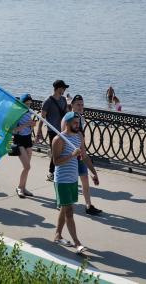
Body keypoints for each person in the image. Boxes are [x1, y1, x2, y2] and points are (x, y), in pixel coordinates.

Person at [52, 112, 99, 254]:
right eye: (75, 123)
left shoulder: (79, 137)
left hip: (73, 180)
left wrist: (93, 172)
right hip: (62, 180)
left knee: (65, 208)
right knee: (69, 212)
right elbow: (56, 162)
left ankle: (57, 235)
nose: (78, 125)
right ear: (67, 123)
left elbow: (84, 156)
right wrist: (72, 155)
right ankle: (77, 243)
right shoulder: (58, 139)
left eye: (78, 123)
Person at [61, 95, 102, 215]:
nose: (80, 107)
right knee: (67, 182)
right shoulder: (66, 119)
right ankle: (62, 204)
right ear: (72, 105)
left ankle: (88, 205)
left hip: (79, 154)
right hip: (69, 156)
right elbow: (63, 138)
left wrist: (93, 172)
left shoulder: (81, 119)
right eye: (78, 104)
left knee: (84, 179)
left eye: (82, 104)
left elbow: (81, 143)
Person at [36, 80, 69, 182]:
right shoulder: (48, 101)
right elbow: (42, 117)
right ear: (58, 88)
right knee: (56, 152)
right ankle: (51, 173)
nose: (64, 90)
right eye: (63, 88)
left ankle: (58, 171)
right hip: (52, 130)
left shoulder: (63, 100)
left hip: (63, 130)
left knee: (61, 151)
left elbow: (67, 114)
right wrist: (39, 131)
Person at [12, 94, 36, 198]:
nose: (28, 106)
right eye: (26, 104)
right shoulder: (17, 113)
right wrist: (27, 125)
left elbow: (28, 128)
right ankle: (19, 188)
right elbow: (13, 130)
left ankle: (24, 187)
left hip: (28, 139)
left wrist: (31, 126)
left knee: (27, 168)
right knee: (27, 166)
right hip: (19, 140)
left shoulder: (29, 112)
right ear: (22, 103)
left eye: (30, 104)